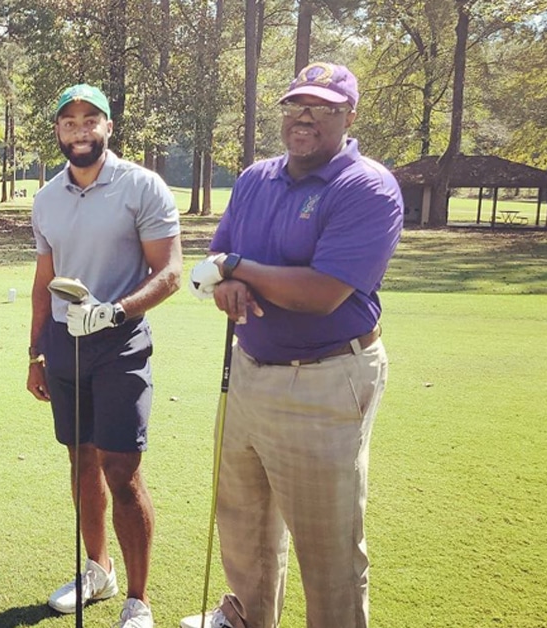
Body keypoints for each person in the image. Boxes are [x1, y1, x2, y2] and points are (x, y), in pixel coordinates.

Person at [185, 62, 403, 628]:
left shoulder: (366, 186)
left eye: (324, 107)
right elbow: (215, 261)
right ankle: (248, 619)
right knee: (244, 524)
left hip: (327, 377)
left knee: (327, 546)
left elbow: (322, 292)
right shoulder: (257, 178)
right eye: (296, 105)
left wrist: (236, 268)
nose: (305, 116)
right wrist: (227, 279)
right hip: (249, 369)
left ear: (349, 116)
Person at [26, 84, 182, 628]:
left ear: (109, 126)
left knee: (122, 471)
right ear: (59, 133)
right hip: (65, 350)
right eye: (69, 122)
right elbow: (43, 280)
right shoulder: (46, 197)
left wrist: (116, 311)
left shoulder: (142, 186)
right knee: (80, 461)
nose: (80, 131)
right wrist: (35, 353)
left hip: (120, 346)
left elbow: (170, 273)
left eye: (91, 120)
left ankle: (137, 600)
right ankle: (98, 570)